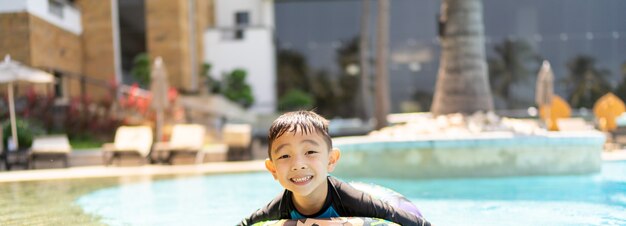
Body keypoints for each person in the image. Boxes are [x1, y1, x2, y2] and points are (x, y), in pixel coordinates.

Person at [238, 111, 431, 226]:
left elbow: (407, 220)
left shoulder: (351, 199)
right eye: (285, 156)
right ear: (272, 169)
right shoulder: (278, 207)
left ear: (331, 160)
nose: (298, 164)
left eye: (310, 152)